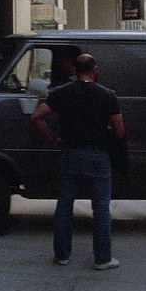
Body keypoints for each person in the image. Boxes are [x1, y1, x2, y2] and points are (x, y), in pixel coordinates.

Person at [30, 54, 125, 270]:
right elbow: (120, 131)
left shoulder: (61, 93)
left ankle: (62, 255)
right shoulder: (108, 95)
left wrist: (54, 139)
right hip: (98, 155)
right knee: (101, 208)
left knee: (65, 204)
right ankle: (102, 258)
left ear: (74, 70)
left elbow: (36, 117)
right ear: (95, 70)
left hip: (70, 153)